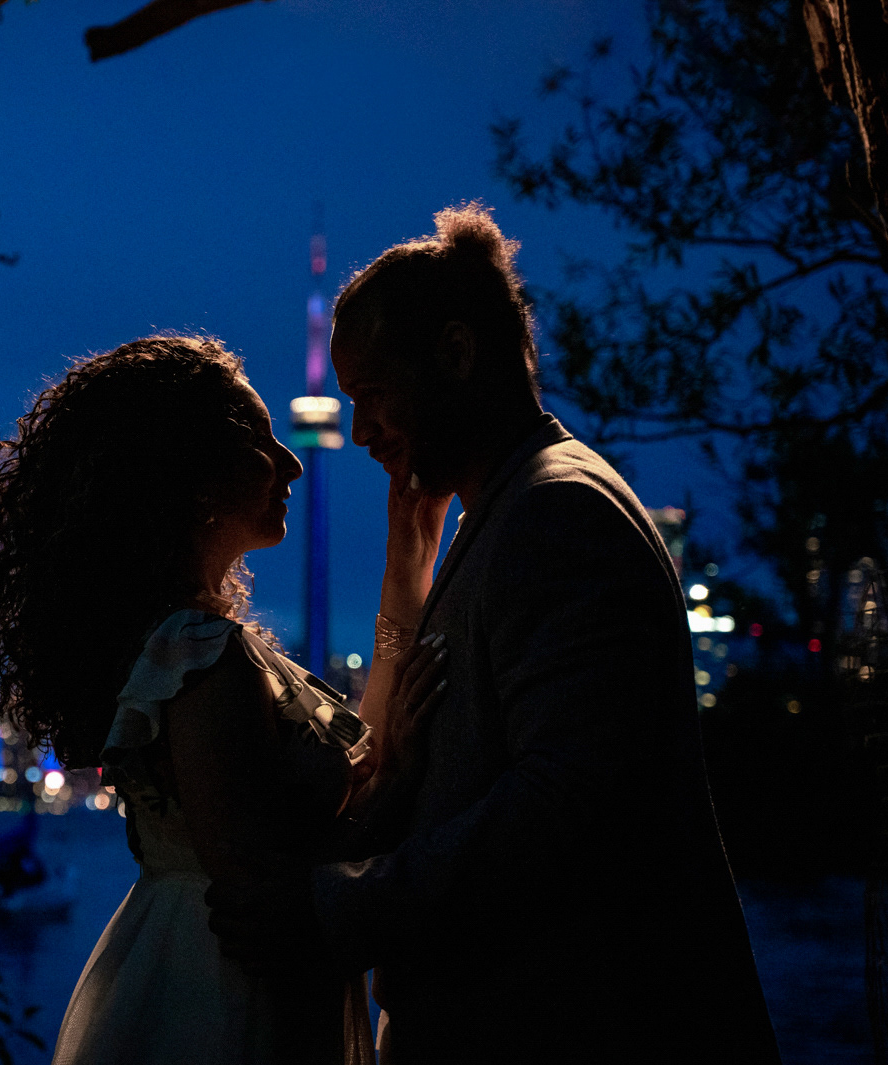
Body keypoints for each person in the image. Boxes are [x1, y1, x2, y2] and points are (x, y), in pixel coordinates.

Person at [207, 204, 782, 1063]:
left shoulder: (557, 515)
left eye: (372, 395)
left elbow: (561, 807)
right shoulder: (515, 510)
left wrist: (334, 908)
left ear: (455, 353)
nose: (360, 432)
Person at [0, 335, 445, 1064]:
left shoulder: (187, 645)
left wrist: (406, 562)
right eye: (258, 439)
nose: (292, 463)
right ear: (188, 470)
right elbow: (265, 889)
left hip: (191, 970)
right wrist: (408, 781)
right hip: (228, 1000)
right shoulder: (202, 657)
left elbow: (337, 787)